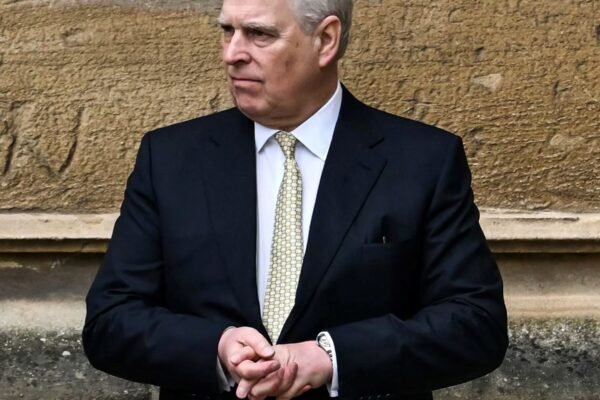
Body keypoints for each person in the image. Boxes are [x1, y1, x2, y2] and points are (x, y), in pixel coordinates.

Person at [82, 0, 508, 399]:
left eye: (259, 34)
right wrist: (217, 347)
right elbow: (110, 320)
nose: (232, 54)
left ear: (326, 40)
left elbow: (476, 325)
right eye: (227, 31)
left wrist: (331, 358)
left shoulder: (422, 161)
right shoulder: (170, 158)